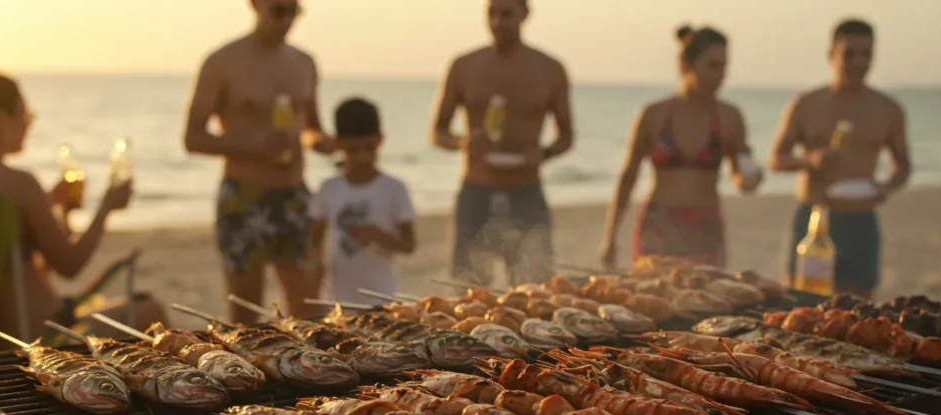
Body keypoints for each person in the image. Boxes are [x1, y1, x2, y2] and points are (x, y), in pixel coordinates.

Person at [0, 70, 168, 342]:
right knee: (151, 311)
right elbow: (70, 265)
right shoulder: (19, 183)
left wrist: (55, 208)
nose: (29, 125)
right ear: (2, 121)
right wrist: (106, 207)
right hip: (44, 336)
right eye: (25, 116)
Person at [183, 0, 333, 322]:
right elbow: (193, 138)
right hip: (244, 195)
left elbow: (310, 127)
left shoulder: (304, 63)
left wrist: (322, 142)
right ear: (255, 5)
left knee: (308, 313)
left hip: (294, 195)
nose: (286, 20)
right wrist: (252, 146)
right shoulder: (222, 62)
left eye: (293, 11)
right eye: (278, 11)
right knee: (246, 316)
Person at [430, 0, 573, 286]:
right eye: (491, 14)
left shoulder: (549, 69)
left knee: (534, 286)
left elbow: (566, 136)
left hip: (526, 190)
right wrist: (463, 142)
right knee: (467, 285)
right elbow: (438, 132)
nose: (498, 22)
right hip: (476, 189)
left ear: (525, 15)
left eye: (506, 14)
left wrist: (543, 153)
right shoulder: (464, 66)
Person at [600, 26, 762, 271]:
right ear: (686, 64)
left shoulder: (730, 117)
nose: (720, 75)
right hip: (660, 222)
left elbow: (741, 173)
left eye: (724, 67)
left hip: (704, 226)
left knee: (710, 301)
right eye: (712, 66)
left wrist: (749, 179)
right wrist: (610, 236)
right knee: (650, 300)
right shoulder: (654, 115)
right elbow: (628, 175)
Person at [770, 18, 910, 299]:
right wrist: (810, 160)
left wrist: (886, 186)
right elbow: (777, 159)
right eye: (849, 54)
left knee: (858, 309)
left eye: (866, 54)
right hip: (815, 218)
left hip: (861, 219)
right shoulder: (807, 104)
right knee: (800, 303)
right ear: (831, 55)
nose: (858, 62)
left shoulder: (887, 109)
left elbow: (903, 166)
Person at [306, 98, 416, 306]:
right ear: (338, 144)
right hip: (336, 300)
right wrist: (314, 266)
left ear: (380, 140)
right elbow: (314, 239)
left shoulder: (394, 188)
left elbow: (409, 245)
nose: (362, 156)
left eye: (369, 148)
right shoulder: (329, 188)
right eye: (353, 149)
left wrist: (379, 235)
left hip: (382, 299)